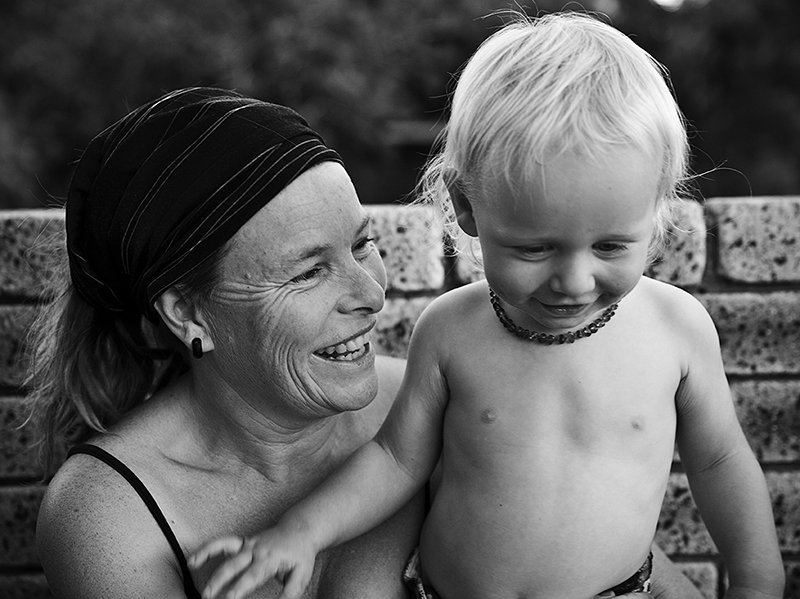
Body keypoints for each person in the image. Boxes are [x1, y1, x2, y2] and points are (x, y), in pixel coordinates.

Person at [191, 12, 785, 599]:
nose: (574, 282)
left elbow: (720, 461)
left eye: (610, 246)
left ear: (655, 210)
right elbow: (396, 460)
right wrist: (301, 532)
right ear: (467, 206)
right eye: (535, 249)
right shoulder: (452, 330)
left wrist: (758, 579)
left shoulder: (675, 330)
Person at [27, 85, 705, 599]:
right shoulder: (109, 512)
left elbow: (621, 571)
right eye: (309, 271)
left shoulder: (437, 403)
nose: (371, 293)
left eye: (362, 244)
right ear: (188, 310)